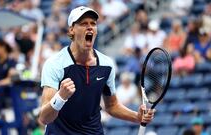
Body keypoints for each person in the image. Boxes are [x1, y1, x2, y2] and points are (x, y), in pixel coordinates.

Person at [39, 6, 155, 135]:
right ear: (71, 30)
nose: (89, 27)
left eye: (93, 24)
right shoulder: (55, 64)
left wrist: (136, 117)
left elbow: (112, 106)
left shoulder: (107, 65)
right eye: (83, 24)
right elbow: (44, 118)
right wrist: (60, 97)